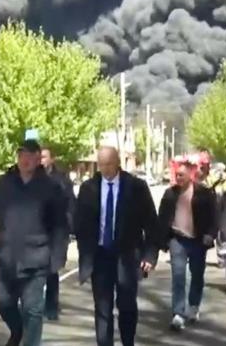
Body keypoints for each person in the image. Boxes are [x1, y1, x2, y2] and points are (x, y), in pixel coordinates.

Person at [0, 139, 68, 346]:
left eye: (30, 156)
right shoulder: (3, 184)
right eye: (22, 155)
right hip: (7, 257)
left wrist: (58, 257)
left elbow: (60, 225)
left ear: (37, 159)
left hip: (37, 259)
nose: (25, 160)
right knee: (3, 303)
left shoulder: (50, 187)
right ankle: (18, 332)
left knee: (33, 310)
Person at [74, 147, 159, 346]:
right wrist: (85, 252)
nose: (105, 169)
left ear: (117, 162)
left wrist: (150, 255)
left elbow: (151, 223)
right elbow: (80, 223)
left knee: (127, 306)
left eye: (109, 164)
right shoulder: (89, 188)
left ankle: (127, 341)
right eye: (101, 164)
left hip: (128, 256)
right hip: (100, 256)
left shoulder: (136, 187)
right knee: (102, 308)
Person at [156, 162, 218, 332]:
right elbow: (162, 218)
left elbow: (214, 216)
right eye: (177, 175)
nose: (178, 178)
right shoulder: (170, 194)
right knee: (178, 276)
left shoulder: (204, 194)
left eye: (182, 175)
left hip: (198, 241)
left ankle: (193, 305)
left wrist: (210, 235)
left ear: (191, 175)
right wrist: (162, 240)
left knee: (197, 275)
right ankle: (177, 313)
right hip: (177, 240)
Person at [40, 147, 75, 321]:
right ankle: (34, 304)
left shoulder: (61, 180)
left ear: (51, 159)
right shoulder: (32, 178)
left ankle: (51, 306)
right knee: (37, 268)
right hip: (37, 231)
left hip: (57, 231)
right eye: (39, 157)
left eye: (44, 157)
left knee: (52, 269)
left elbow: (71, 204)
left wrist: (72, 228)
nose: (41, 160)